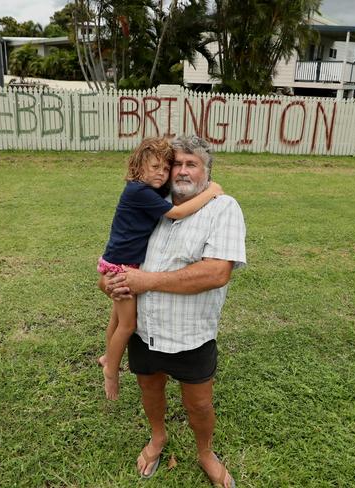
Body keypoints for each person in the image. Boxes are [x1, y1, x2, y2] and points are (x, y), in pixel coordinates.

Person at [101, 135, 246, 487]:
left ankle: (206, 453)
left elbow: (217, 273)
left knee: (198, 406)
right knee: (150, 392)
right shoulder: (152, 202)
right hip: (144, 331)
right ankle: (157, 438)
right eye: (175, 163)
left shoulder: (223, 208)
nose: (180, 170)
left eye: (190, 164)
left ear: (206, 172)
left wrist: (144, 280)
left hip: (190, 334)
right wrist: (109, 283)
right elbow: (121, 254)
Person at [97, 137, 223, 400]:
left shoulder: (146, 189)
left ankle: (107, 354)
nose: (162, 174)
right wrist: (211, 192)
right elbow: (176, 213)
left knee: (116, 318)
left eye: (165, 169)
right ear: (138, 166)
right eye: (155, 167)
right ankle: (111, 368)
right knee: (127, 324)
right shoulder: (138, 191)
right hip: (123, 266)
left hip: (116, 259)